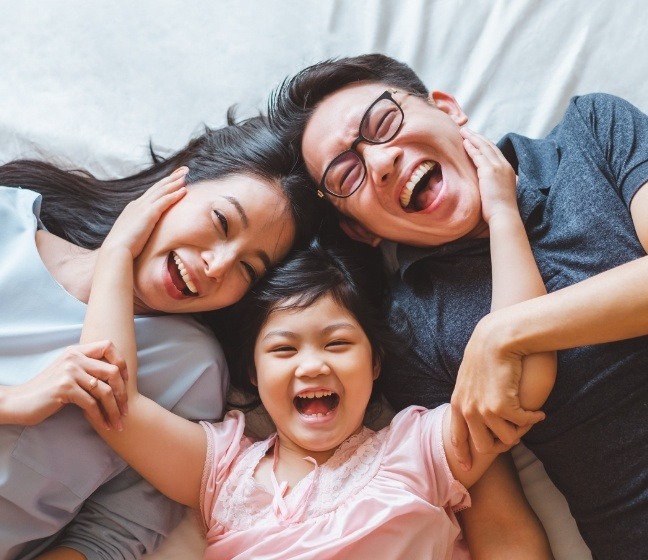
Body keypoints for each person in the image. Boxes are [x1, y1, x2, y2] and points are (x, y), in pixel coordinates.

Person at [74, 135, 555, 559]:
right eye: (283, 350)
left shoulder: (418, 451)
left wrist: (503, 216)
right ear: (252, 376)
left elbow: (521, 372)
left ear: (375, 364)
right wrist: (117, 252)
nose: (312, 366)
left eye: (338, 343)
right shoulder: (223, 472)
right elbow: (109, 395)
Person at [267, 53, 648, 558]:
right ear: (360, 230)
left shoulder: (593, 131)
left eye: (383, 122)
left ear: (447, 108)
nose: (380, 164)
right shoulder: (409, 330)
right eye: (346, 174)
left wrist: (503, 334)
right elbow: (503, 528)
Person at [0, 116, 315, 559]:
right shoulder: (6, 220)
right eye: (222, 221)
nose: (218, 265)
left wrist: (117, 257)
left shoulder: (190, 370)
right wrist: (12, 403)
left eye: (248, 268)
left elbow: (111, 536)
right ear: (176, 183)